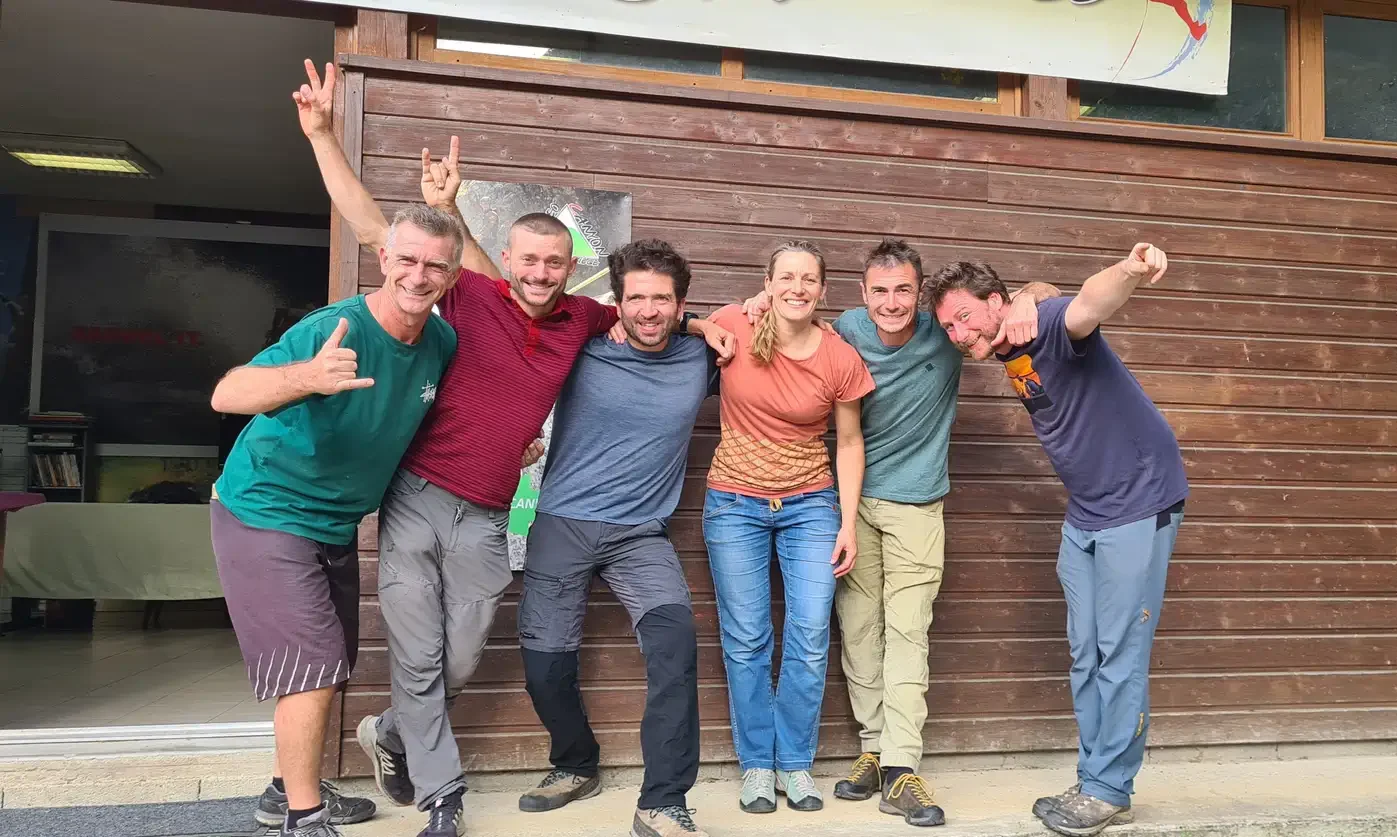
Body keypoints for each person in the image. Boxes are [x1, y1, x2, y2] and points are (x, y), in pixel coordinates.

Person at [292, 60, 733, 837]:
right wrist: (326, 135)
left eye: (552, 263)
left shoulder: (591, 326)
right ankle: (502, 778)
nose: (536, 273)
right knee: (476, 659)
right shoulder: (478, 293)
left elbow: (715, 323)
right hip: (457, 501)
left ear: (573, 275)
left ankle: (658, 798)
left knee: (625, 652)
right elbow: (376, 231)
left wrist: (714, 326)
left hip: (553, 521)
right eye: (525, 260)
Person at [739, 239, 1059, 828]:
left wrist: (1033, 294)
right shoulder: (845, 331)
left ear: (921, 293)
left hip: (918, 508)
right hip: (850, 507)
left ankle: (902, 767)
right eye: (880, 291)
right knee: (860, 633)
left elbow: (1029, 301)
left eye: (904, 290)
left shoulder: (948, 331)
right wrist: (762, 297)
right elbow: (781, 316)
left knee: (908, 633)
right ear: (862, 294)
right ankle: (874, 748)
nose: (892, 303)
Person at [209, 198, 463, 837]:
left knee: (328, 663)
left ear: (453, 275)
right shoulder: (335, 327)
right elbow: (228, 392)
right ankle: (304, 816)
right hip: (265, 508)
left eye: (435, 265)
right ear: (384, 258)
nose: (418, 275)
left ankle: (281, 790)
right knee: (312, 665)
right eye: (406, 259)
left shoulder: (440, 340)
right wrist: (307, 376)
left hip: (335, 522)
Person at [929, 245, 1187, 837]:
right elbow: (1044, 287)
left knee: (1119, 656)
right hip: (1088, 512)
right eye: (948, 325)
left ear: (995, 303)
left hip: (1140, 499)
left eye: (964, 316)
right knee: (1085, 651)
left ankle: (1108, 789)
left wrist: (1131, 268)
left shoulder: (1044, 324)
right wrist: (1031, 288)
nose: (956, 332)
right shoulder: (1014, 334)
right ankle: (1093, 776)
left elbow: (1088, 304)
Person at [517, 239, 730, 837]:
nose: (649, 311)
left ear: (679, 303)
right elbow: (518, 313)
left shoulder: (700, 357)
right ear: (617, 301)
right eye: (636, 298)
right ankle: (575, 763)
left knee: (675, 647)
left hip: (640, 533)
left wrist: (703, 325)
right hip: (562, 520)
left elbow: (766, 318)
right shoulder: (580, 347)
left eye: (663, 299)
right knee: (544, 667)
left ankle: (662, 802)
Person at [702, 240, 874, 815]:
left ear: (823, 291)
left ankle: (795, 763)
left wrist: (846, 522)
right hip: (733, 504)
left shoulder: (839, 356)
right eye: (787, 278)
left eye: (809, 280)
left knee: (807, 637)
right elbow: (694, 320)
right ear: (768, 283)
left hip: (809, 507)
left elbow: (850, 441)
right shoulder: (737, 324)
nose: (797, 288)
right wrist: (704, 324)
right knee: (748, 638)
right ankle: (756, 765)